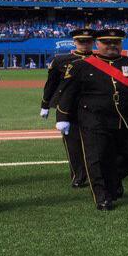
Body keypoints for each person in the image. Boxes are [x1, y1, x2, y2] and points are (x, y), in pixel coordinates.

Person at [54, 28, 128, 211]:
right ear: (97, 44)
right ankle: (102, 197)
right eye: (106, 42)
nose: (111, 46)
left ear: (121, 44)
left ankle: (112, 180)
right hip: (94, 118)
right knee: (97, 158)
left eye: (116, 42)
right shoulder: (80, 66)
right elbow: (68, 93)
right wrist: (63, 117)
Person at [40, 28, 95, 189]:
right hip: (68, 107)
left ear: (93, 42)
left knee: (96, 142)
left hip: (93, 106)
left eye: (88, 41)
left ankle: (96, 174)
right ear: (74, 42)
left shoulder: (100, 59)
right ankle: (79, 176)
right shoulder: (61, 60)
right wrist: (45, 105)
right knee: (73, 144)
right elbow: (51, 84)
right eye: (81, 41)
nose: (84, 44)